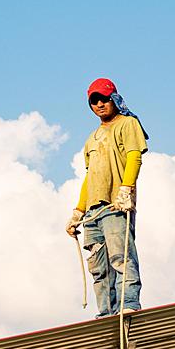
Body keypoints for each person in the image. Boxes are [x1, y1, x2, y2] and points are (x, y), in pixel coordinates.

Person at [65, 78, 148, 315]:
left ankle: (128, 303)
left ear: (113, 98)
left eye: (104, 98)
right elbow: (90, 177)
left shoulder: (127, 124)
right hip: (93, 210)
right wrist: (78, 211)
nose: (100, 104)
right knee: (98, 267)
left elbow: (134, 156)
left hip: (115, 204)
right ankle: (106, 312)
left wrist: (126, 189)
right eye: (94, 100)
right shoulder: (91, 138)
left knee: (120, 257)